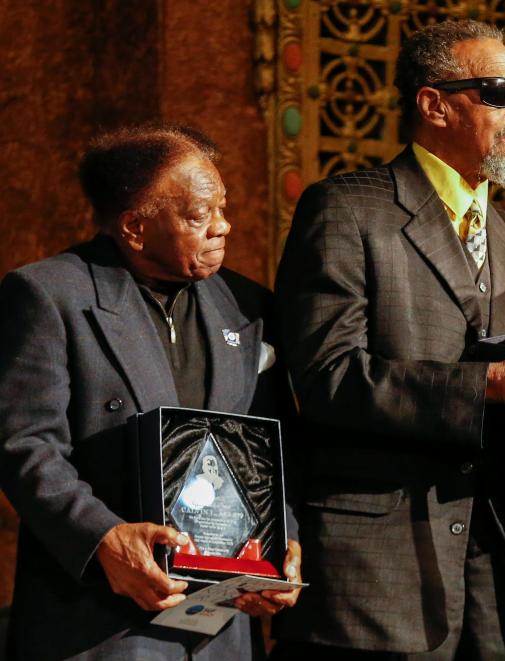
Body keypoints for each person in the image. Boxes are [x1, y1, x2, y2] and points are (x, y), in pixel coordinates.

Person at [272, 19, 505, 660]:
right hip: (379, 578)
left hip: (499, 577)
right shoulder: (347, 210)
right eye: (499, 91)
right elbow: (328, 378)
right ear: (434, 103)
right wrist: (492, 386)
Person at [0, 125, 302, 660]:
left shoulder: (249, 304)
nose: (223, 226)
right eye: (198, 214)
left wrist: (280, 548)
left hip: (222, 630)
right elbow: (26, 445)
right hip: (102, 624)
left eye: (223, 207)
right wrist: (103, 540)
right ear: (135, 228)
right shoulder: (50, 295)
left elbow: (274, 447)